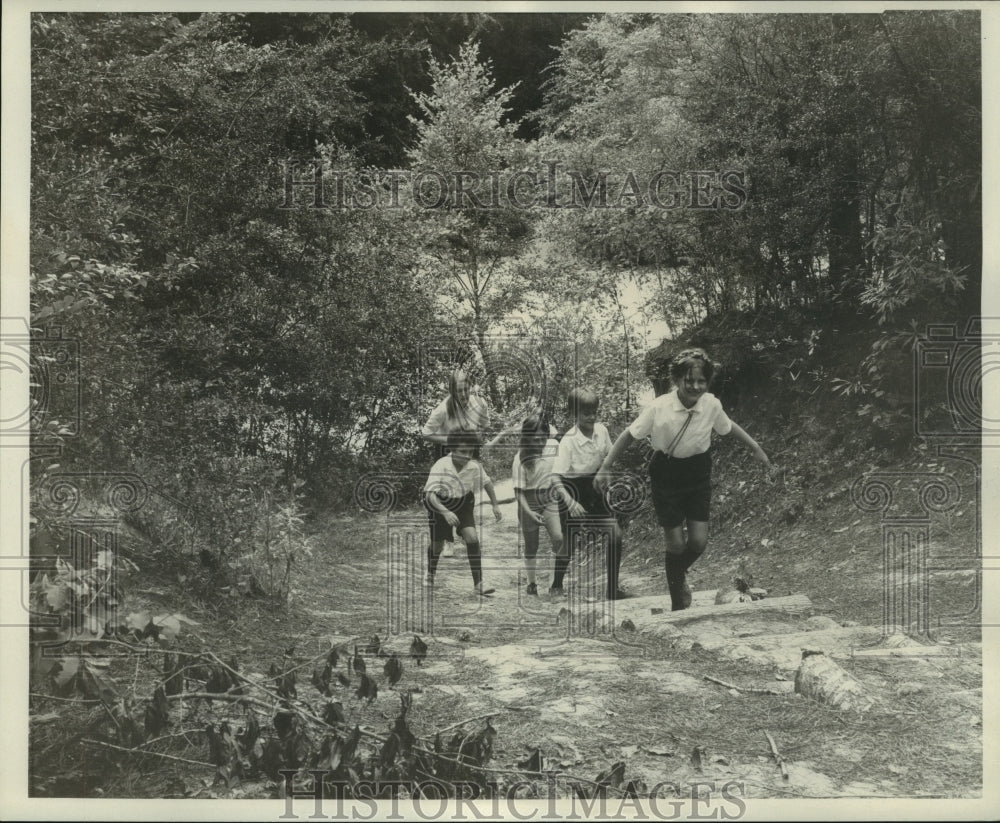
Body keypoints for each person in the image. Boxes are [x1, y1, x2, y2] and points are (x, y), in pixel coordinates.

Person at [595, 348, 771, 611]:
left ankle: (678, 575)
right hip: (665, 473)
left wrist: (756, 448)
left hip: (697, 472)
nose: (695, 386)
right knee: (675, 543)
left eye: (701, 381)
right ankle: (678, 600)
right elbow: (629, 435)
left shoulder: (711, 404)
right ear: (676, 379)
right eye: (689, 380)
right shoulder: (659, 407)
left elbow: (728, 427)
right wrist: (606, 465)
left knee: (699, 541)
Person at [551, 388, 625, 600]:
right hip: (570, 488)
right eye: (586, 413)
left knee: (615, 534)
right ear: (574, 414)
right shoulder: (568, 440)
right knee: (570, 542)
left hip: (593, 486)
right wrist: (571, 503)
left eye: (594, 411)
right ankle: (556, 585)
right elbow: (555, 478)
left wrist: (606, 475)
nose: (591, 417)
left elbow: (608, 457)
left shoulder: (601, 430)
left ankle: (612, 590)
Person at [424, 430, 503, 597]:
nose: (467, 456)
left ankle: (479, 584)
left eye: (470, 451)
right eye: (462, 452)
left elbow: (487, 483)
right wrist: (445, 512)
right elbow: (429, 494)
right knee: (437, 545)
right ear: (452, 449)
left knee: (472, 538)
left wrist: (495, 505)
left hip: (464, 504)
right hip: (440, 504)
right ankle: (430, 572)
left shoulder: (474, 467)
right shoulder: (441, 465)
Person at [512, 415, 563, 596]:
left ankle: (554, 584)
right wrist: (529, 512)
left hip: (550, 498)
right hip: (528, 500)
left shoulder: (554, 447)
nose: (541, 443)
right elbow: (518, 492)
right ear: (527, 438)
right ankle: (531, 583)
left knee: (558, 538)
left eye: (543, 438)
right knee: (531, 545)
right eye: (536, 439)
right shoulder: (520, 458)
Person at [422, 369, 491, 454]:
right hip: (447, 452)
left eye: (466, 389)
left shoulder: (480, 403)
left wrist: (478, 435)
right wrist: (451, 440)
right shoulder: (443, 409)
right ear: (453, 392)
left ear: (470, 387)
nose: (463, 394)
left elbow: (485, 425)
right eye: (459, 390)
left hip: (471, 451)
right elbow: (426, 434)